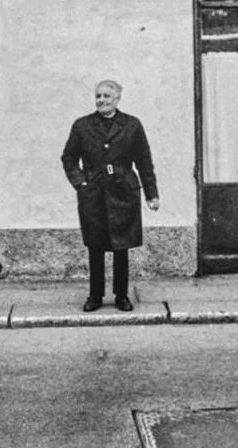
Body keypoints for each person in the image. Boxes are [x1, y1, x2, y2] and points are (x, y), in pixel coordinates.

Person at [61, 80, 160, 312]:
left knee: (121, 246)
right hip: (93, 193)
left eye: (107, 96)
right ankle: (95, 295)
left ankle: (121, 295)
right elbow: (69, 158)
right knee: (95, 246)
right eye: (98, 96)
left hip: (123, 191)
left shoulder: (132, 125)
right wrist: (81, 183)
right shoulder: (82, 125)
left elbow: (144, 161)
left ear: (117, 99)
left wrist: (151, 194)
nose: (102, 100)